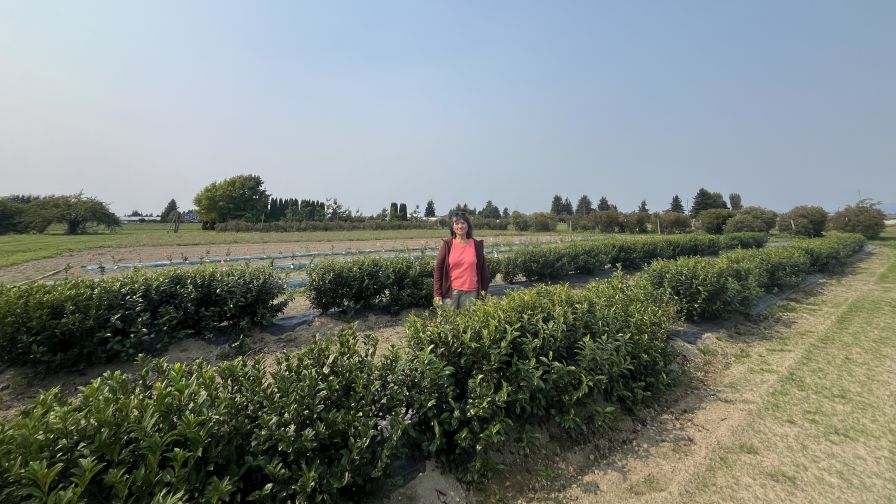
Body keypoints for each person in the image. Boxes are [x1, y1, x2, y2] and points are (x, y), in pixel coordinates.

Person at [434, 212, 490, 309]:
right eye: (457, 223)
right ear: (453, 227)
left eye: (463, 223)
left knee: (468, 323)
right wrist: (437, 293)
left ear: (468, 225)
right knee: (448, 322)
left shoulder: (476, 245)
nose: (460, 226)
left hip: (471, 292)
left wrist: (483, 293)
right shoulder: (448, 244)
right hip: (450, 292)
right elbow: (439, 269)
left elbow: (483, 271)